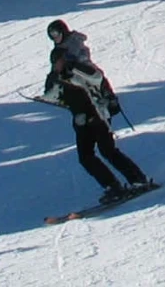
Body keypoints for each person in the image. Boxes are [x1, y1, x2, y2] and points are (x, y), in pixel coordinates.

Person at [40, 22, 150, 201]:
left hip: (96, 113)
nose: (55, 65)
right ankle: (113, 186)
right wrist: (53, 80)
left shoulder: (76, 63)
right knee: (85, 157)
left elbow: (96, 76)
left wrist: (72, 70)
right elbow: (52, 95)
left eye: (56, 34)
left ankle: (138, 180)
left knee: (107, 150)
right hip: (80, 118)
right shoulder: (57, 74)